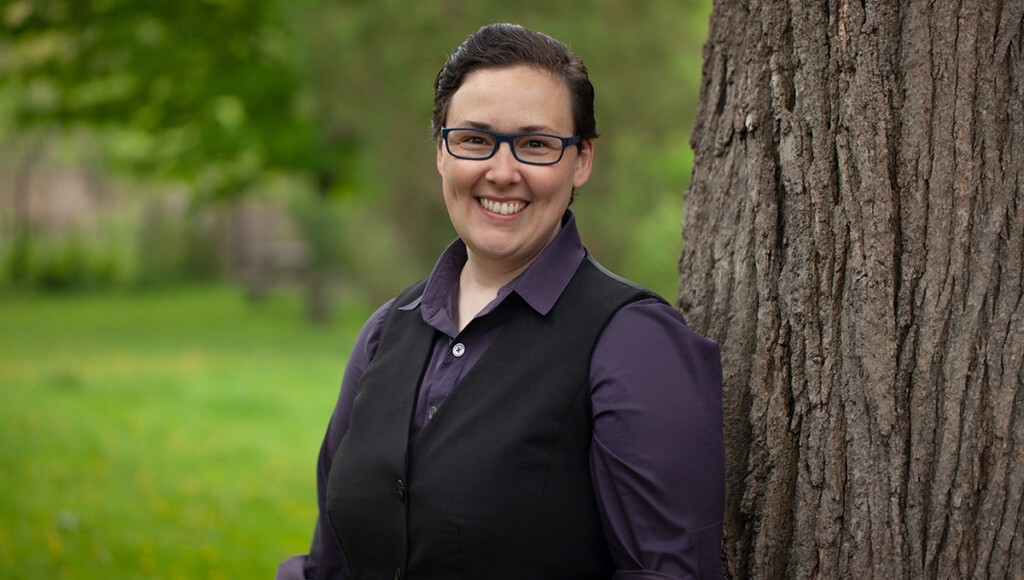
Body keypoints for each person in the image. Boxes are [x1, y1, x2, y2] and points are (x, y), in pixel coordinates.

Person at [277, 23, 724, 580]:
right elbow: (332, 563)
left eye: (536, 144)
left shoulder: (636, 344)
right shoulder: (384, 333)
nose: (502, 172)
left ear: (581, 160)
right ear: (442, 150)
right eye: (474, 139)